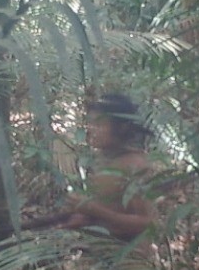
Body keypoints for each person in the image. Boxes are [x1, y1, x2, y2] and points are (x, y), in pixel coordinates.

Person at [58, 93, 157, 253]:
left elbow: (148, 223)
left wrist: (95, 210)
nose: (91, 130)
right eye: (90, 123)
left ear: (122, 127)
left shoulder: (136, 166)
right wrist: (84, 217)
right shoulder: (104, 160)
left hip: (130, 259)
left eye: (100, 124)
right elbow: (114, 209)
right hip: (104, 253)